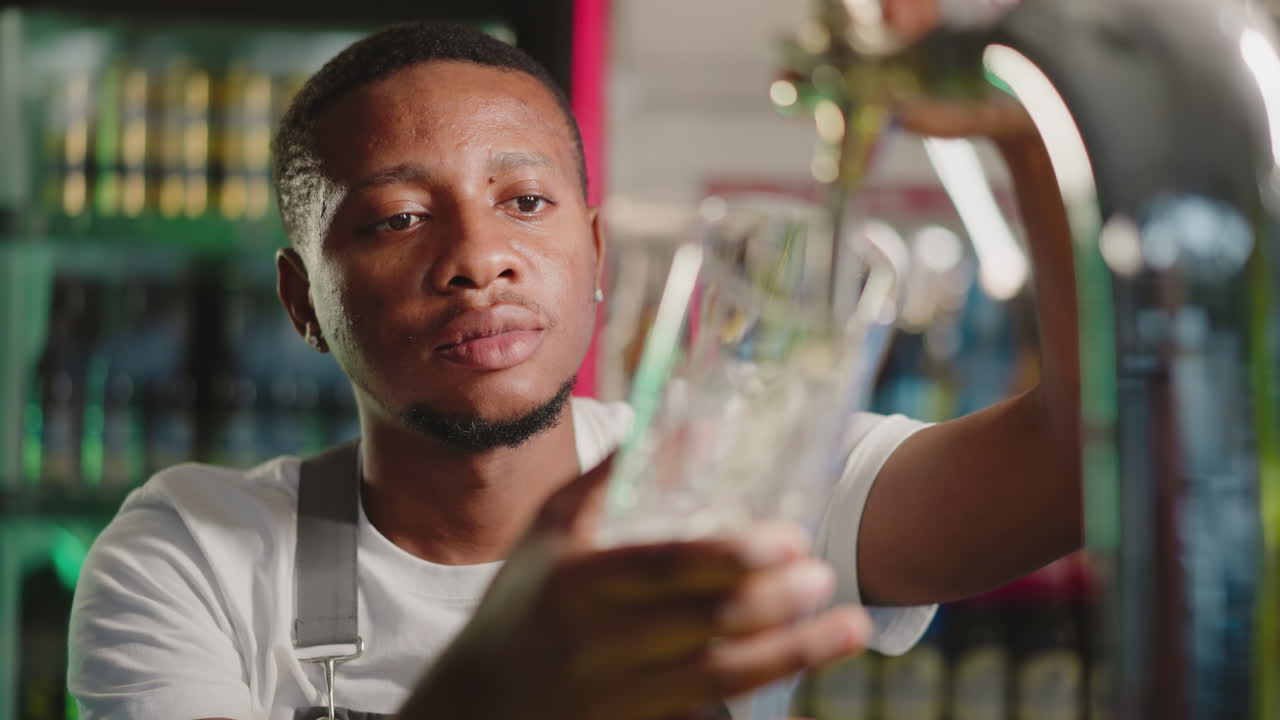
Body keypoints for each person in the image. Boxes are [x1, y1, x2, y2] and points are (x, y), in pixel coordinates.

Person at [67, 16, 1081, 720]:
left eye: (525, 202)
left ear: (593, 254)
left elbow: (1070, 464)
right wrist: (494, 687)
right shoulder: (191, 555)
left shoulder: (731, 477)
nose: (477, 258)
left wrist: (1029, 125)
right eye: (398, 218)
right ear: (302, 304)